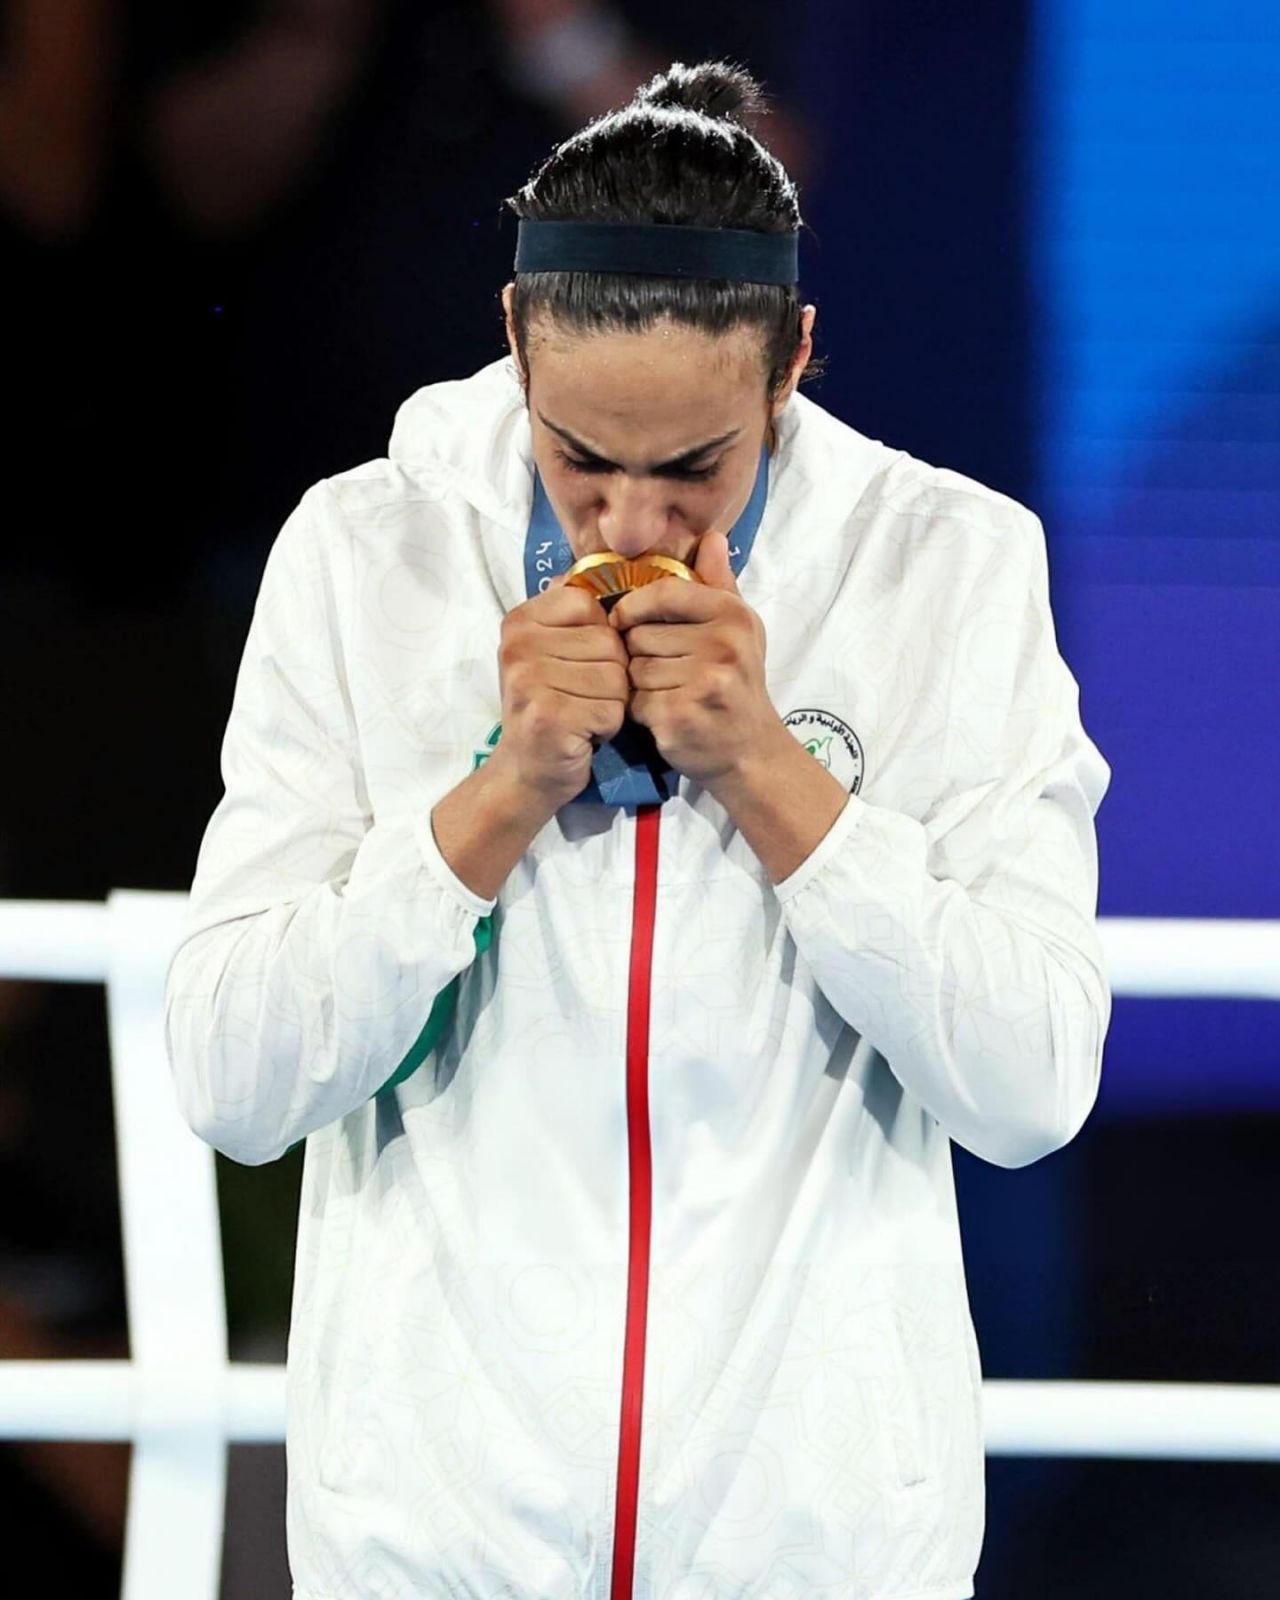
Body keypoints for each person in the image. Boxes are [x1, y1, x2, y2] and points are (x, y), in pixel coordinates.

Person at [164, 58, 1112, 1600]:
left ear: (792, 362)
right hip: (429, 1543)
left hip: (817, 1553)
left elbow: (1029, 1085)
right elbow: (236, 1079)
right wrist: (495, 795)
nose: (630, 527)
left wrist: (774, 779)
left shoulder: (951, 568)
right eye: (580, 459)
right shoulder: (360, 552)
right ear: (515, 345)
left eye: (693, 471)